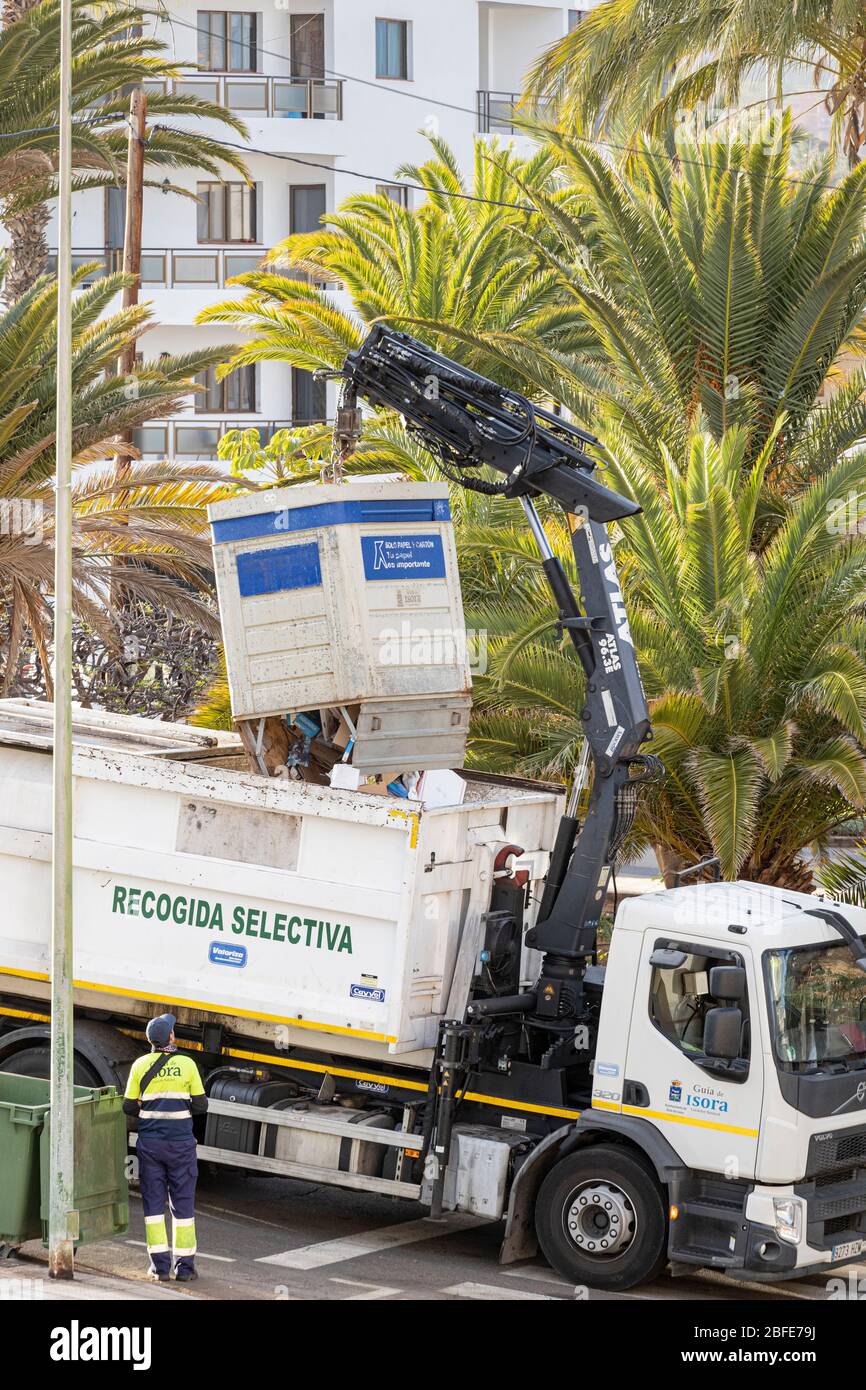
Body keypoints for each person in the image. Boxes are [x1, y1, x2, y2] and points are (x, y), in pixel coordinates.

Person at [123, 1013, 208, 1282]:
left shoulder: (139, 1065)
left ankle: (160, 1268)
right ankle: (184, 1268)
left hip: (150, 1145)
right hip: (181, 1146)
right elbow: (201, 1106)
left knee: (153, 1205)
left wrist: (149, 1107)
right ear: (170, 1037)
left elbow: (127, 1106)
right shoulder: (187, 1064)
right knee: (182, 1206)